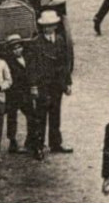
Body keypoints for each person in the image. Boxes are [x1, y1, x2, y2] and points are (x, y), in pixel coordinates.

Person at [24, 10, 75, 159]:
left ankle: (55, 143)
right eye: (46, 26)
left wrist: (67, 83)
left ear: (55, 26)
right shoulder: (36, 43)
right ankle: (38, 146)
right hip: (42, 85)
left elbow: (64, 63)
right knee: (41, 116)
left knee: (55, 114)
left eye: (51, 25)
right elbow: (31, 66)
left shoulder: (59, 40)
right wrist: (33, 86)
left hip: (56, 85)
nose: (49, 28)